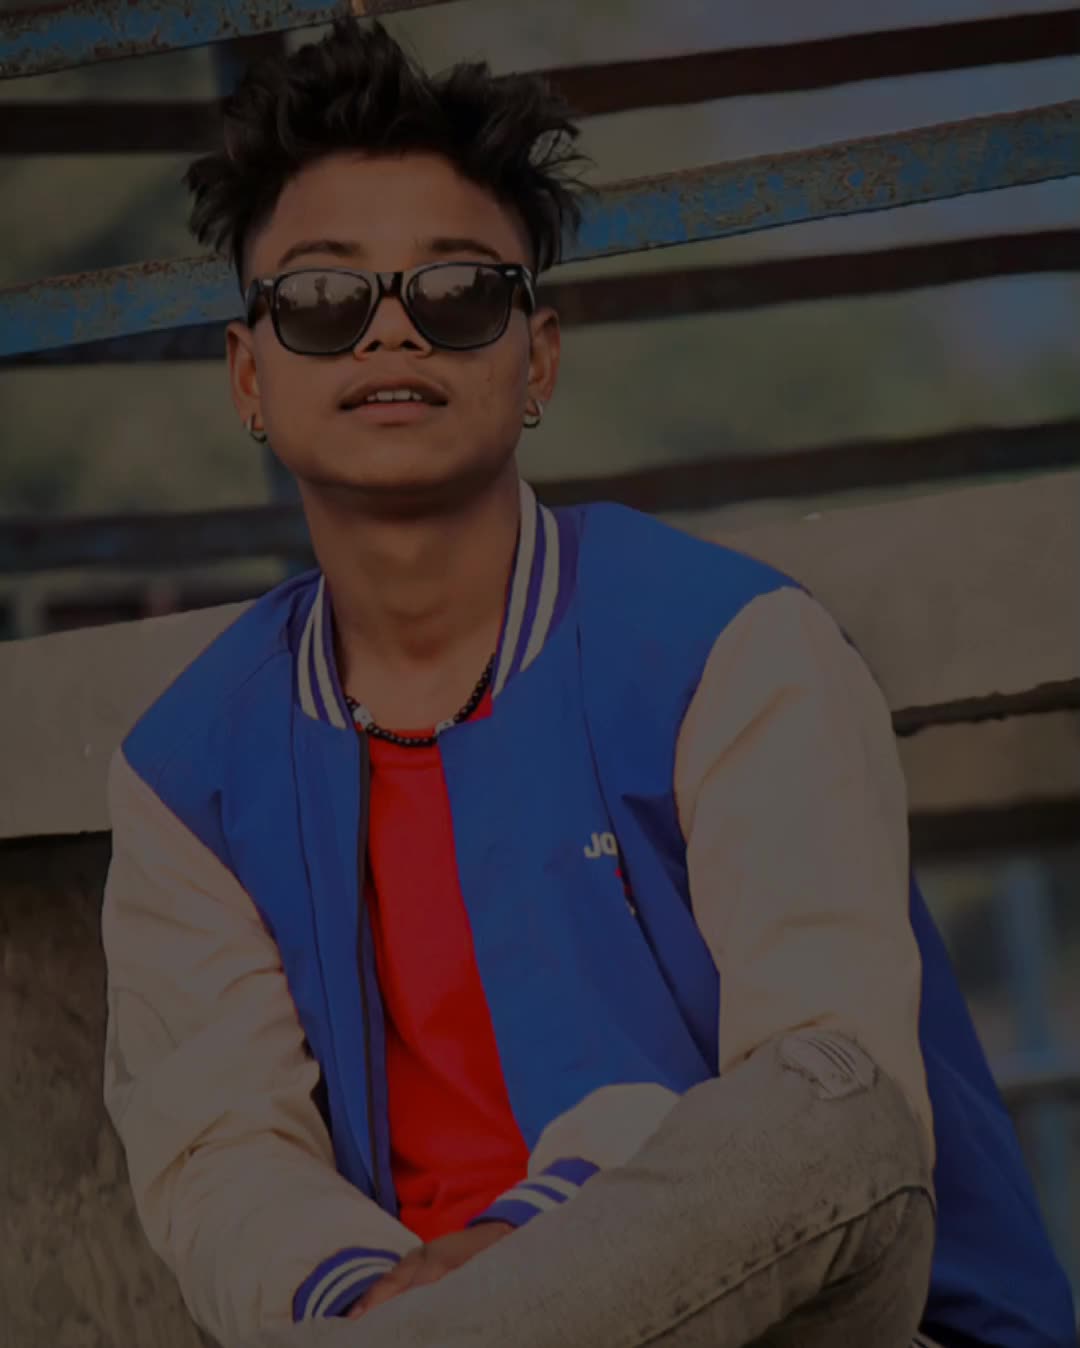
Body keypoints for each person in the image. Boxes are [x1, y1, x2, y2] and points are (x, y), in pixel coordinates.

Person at [100, 18, 1075, 1348]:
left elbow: (835, 1112)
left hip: (780, 1323)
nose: (392, 333)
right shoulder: (186, 777)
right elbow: (221, 1160)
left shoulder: (735, 648)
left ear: (537, 359)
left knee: (826, 1097)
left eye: (457, 293)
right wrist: (378, 1298)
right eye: (324, 301)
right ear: (248, 376)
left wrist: (517, 1256)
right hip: (394, 1311)